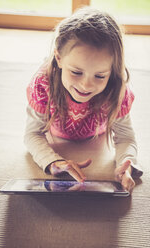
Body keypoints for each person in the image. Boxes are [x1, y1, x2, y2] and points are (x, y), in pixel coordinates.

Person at [24, 7, 143, 193]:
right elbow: (32, 134)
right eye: (76, 72)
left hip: (97, 133)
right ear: (59, 58)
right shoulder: (43, 84)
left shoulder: (117, 89)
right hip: (56, 134)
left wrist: (126, 165)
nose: (86, 86)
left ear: (111, 72)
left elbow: (126, 137)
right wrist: (53, 162)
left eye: (100, 76)